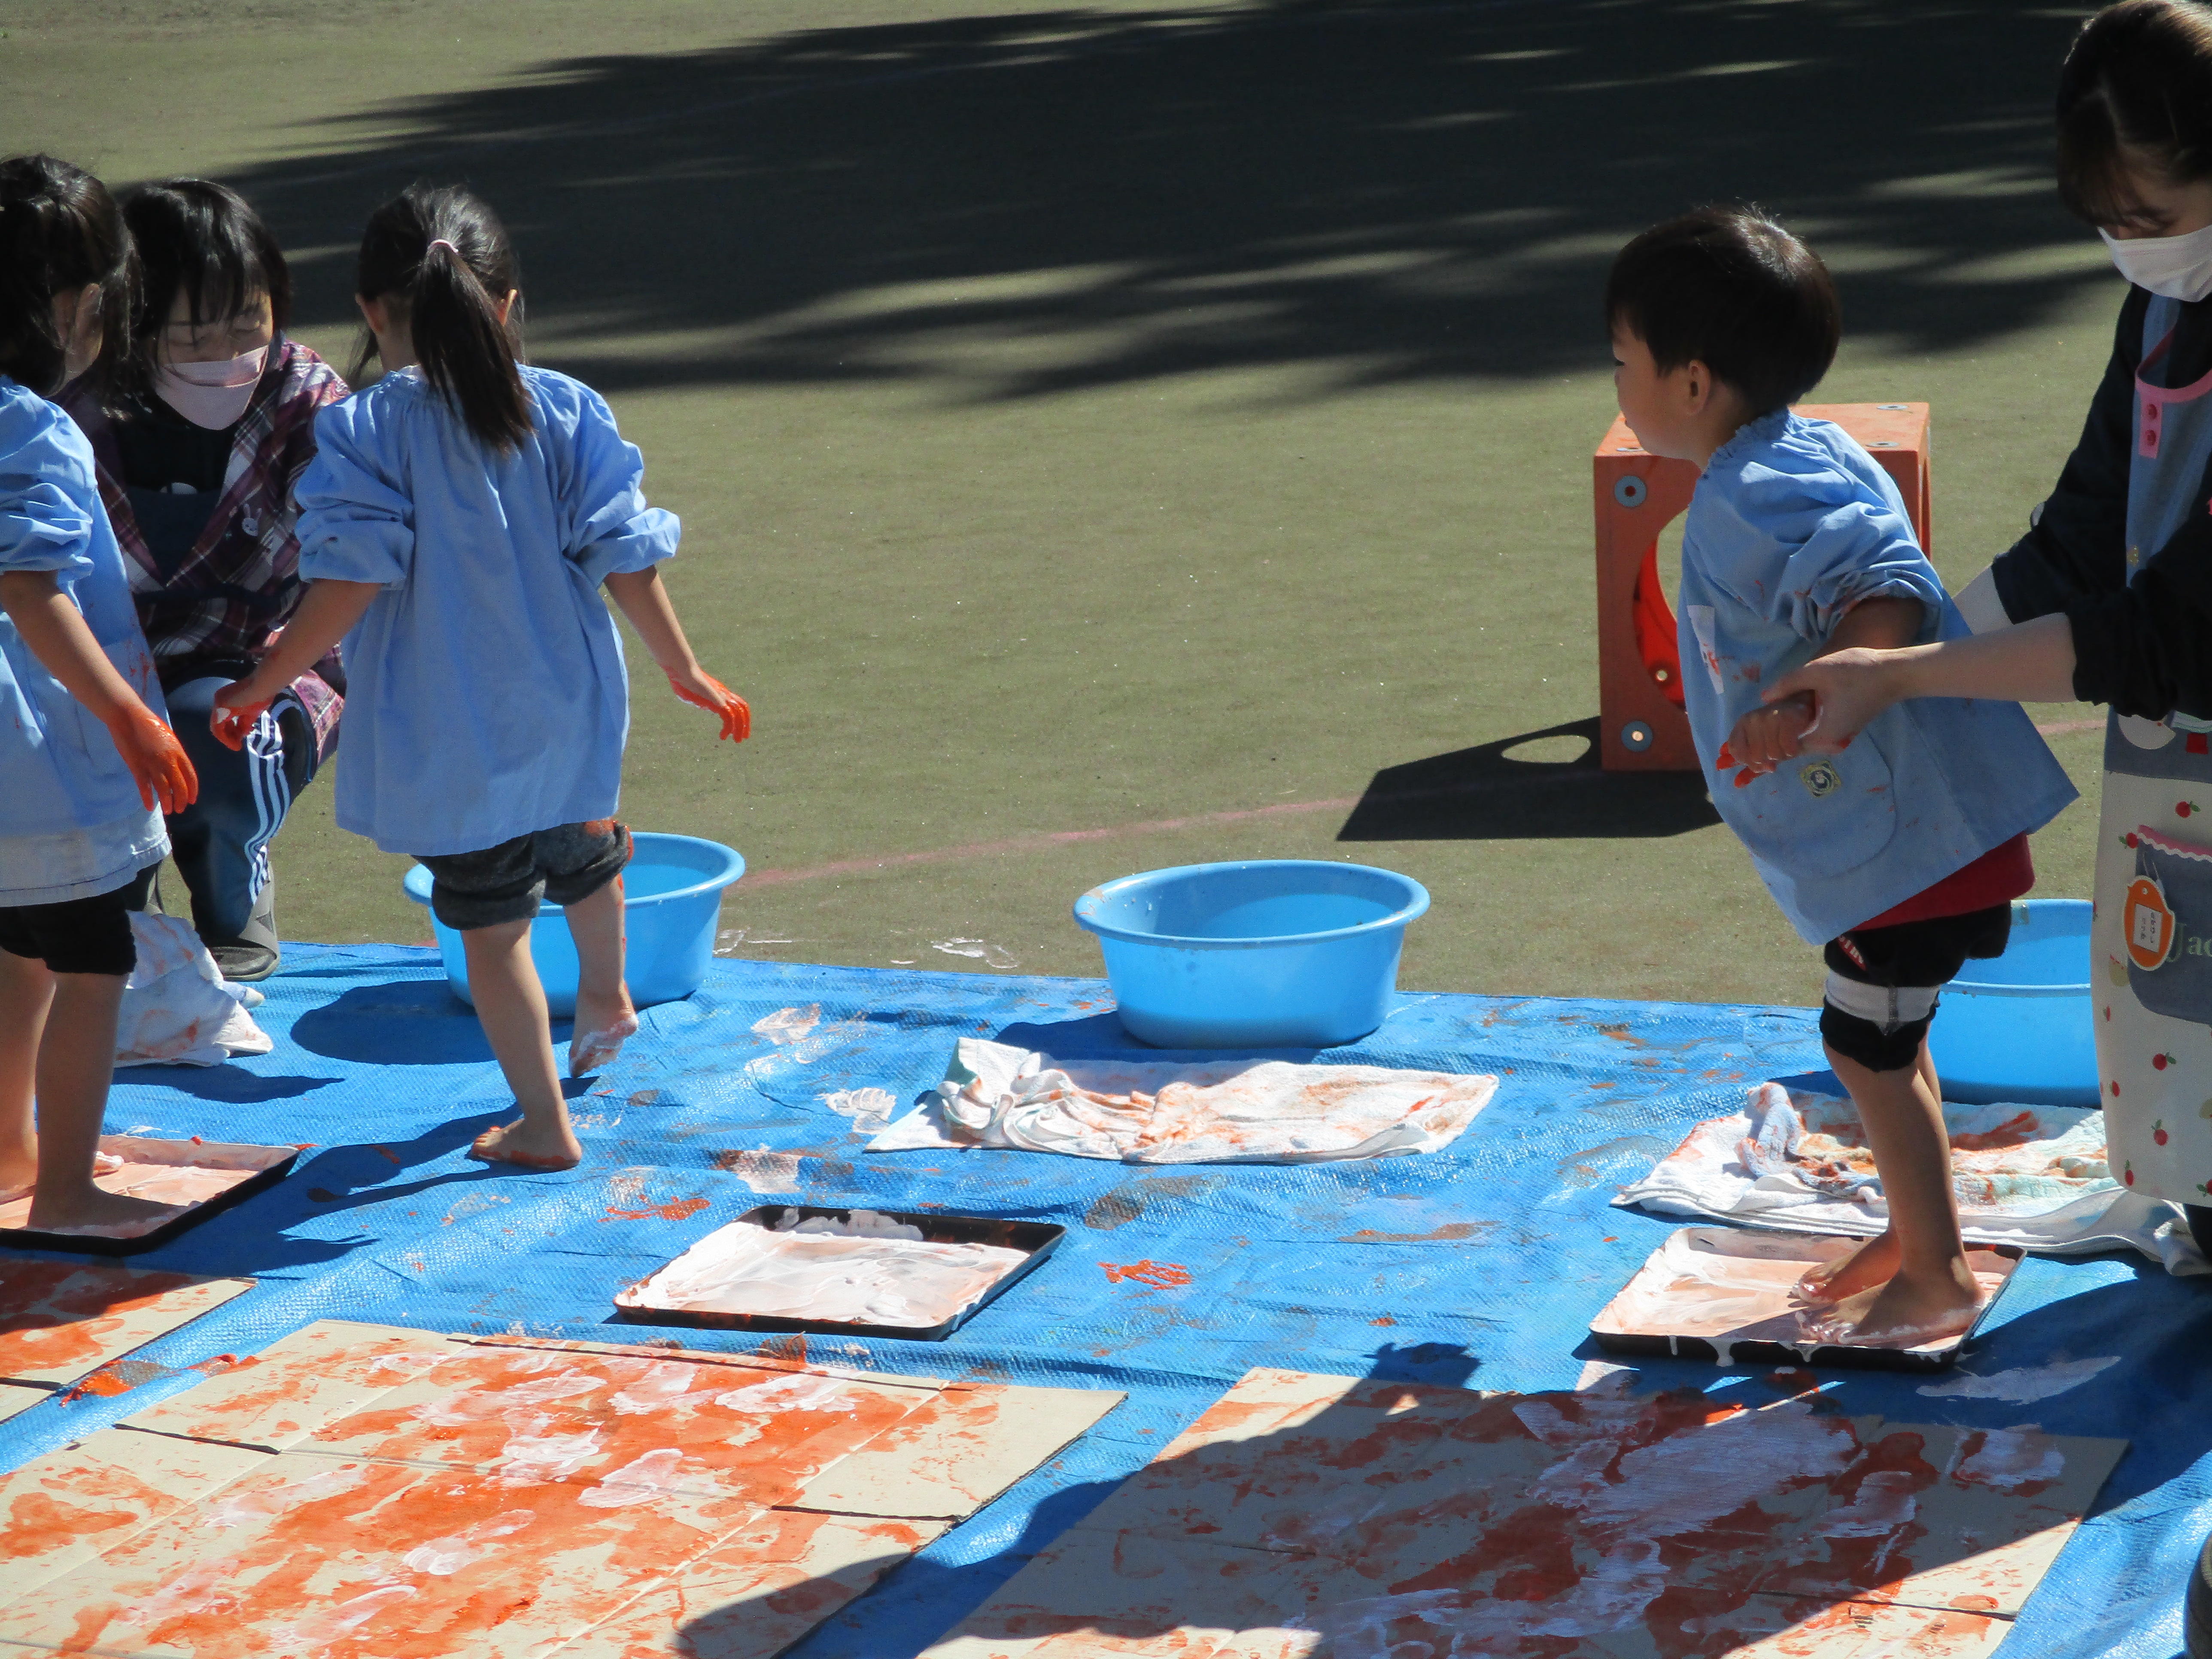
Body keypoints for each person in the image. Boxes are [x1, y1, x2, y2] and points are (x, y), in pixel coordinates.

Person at [1766, 0, 2212, 1258]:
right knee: (2185, 1053)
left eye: (2155, 220)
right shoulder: (2170, 308)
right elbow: (2087, 528)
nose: (2133, 250)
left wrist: (1914, 676)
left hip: (2182, 677)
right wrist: (1907, 661)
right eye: (2109, 226)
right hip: (2184, 764)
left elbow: (2167, 632)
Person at [1606, 207, 2078, 1346]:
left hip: (1905, 848)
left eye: (1622, 363)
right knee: (1884, 1039)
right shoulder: (1792, 452)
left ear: (1691, 382)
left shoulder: (1754, 490)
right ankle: (1926, 1238)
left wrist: (1824, 685)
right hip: (1923, 840)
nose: (1614, 385)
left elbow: (1882, 584)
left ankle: (1940, 1278)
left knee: (1863, 1045)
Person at [211, 184, 750, 1173]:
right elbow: (623, 553)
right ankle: (608, 997)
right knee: (586, 848)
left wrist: (262, 681)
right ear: (505, 305)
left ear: (374, 312)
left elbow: (349, 581)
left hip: (455, 726)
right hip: (569, 701)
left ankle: (544, 1124)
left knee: (492, 924)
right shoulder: (566, 407)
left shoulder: (369, 428)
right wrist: (684, 665)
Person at [61, 180, 349, 983]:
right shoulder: (69, 408)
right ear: (132, 324)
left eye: (245, 322)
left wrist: (268, 682)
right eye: (192, 337)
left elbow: (361, 561)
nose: (225, 354)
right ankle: (110, 887)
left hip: (254, 666)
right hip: (87, 667)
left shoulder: (305, 395)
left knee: (223, 733)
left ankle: (233, 889)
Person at [0, 154, 198, 1231]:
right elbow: (29, 588)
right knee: (90, 962)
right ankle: (65, 1190)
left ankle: (12, 1153)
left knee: (15, 957)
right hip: (42, 754)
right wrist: (127, 710)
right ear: (74, 305)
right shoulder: (29, 426)